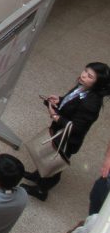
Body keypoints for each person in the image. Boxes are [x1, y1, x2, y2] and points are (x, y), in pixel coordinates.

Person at [21, 62, 109, 201]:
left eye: (89, 76)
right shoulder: (82, 87)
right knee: (48, 157)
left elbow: (76, 128)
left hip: (67, 139)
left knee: (54, 164)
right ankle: (38, 175)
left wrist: (55, 116)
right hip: (59, 132)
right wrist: (60, 100)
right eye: (85, 71)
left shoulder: (91, 104)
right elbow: (71, 102)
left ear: (98, 83)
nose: (83, 75)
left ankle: (41, 190)